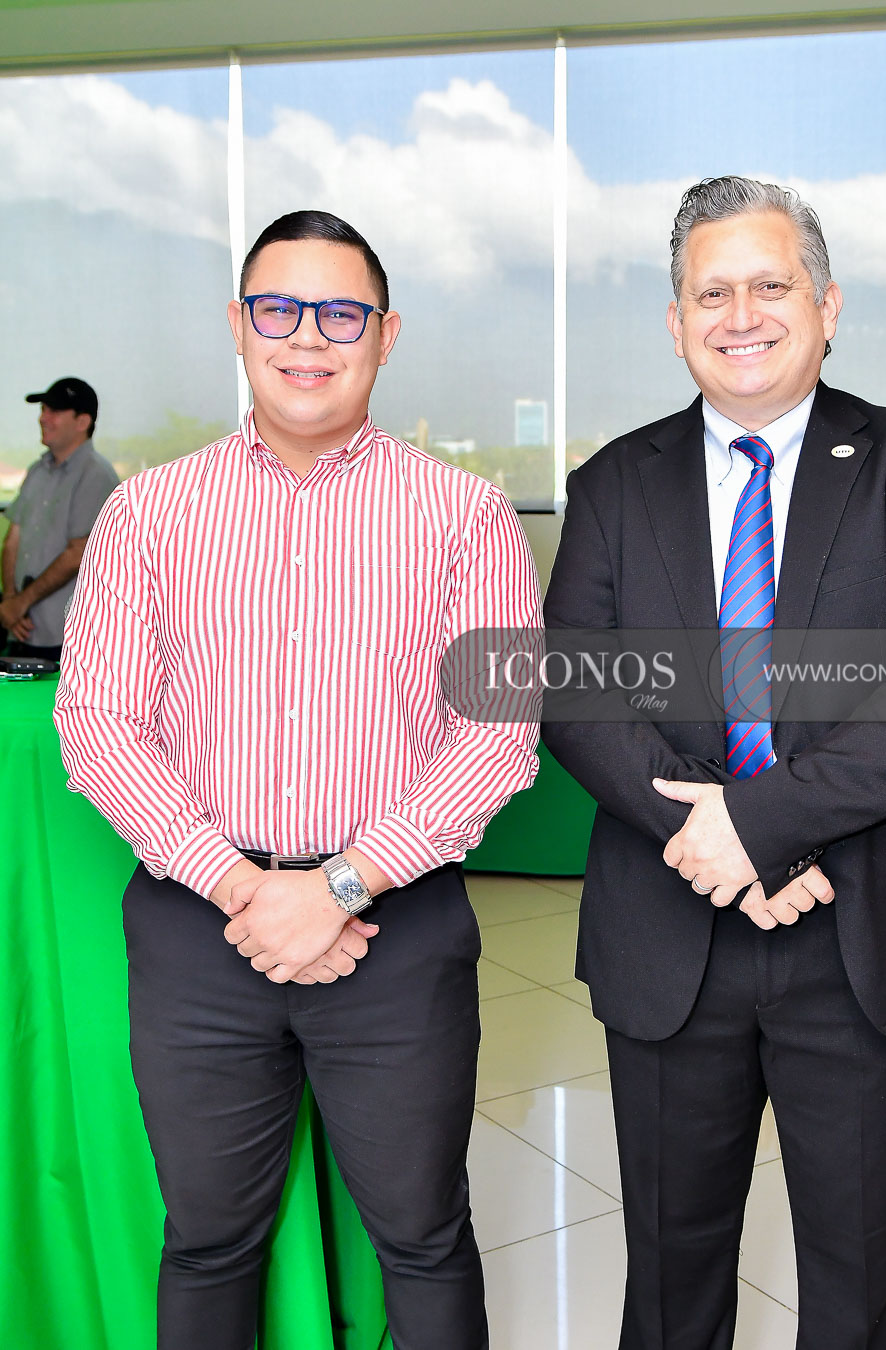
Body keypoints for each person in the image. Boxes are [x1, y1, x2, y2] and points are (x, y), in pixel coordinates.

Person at [54, 209, 541, 1350]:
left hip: (397, 933)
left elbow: (500, 733)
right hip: (197, 934)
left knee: (423, 1237)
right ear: (238, 326)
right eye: (278, 310)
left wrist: (337, 887)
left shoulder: (467, 516)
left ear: (387, 334)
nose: (307, 337)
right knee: (207, 1241)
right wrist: (247, 889)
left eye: (341, 313)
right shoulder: (149, 513)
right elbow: (98, 724)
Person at [542, 176, 886, 1349]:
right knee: (670, 1277)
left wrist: (759, 828)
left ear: (826, 304)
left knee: (859, 1280)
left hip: (862, 935)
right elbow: (576, 691)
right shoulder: (612, 484)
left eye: (770, 284)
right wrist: (711, 842)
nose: (740, 314)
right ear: (675, 321)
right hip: (669, 926)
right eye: (712, 292)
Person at [0, 377, 117, 659]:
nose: (43, 418)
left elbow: (78, 553)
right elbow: (13, 538)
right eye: (43, 410)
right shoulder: (37, 471)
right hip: (22, 631)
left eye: (54, 411)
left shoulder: (96, 475)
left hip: (68, 640)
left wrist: (19, 603)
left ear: (82, 422)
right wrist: (10, 602)